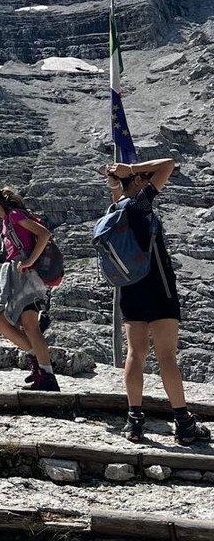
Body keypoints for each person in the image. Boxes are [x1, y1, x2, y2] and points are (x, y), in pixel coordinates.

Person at [103, 159, 210, 445]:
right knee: (166, 356)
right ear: (138, 181)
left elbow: (120, 194)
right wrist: (132, 169)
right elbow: (169, 164)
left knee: (135, 354)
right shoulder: (141, 204)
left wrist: (119, 180)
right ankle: (183, 422)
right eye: (143, 178)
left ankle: (135, 422)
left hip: (129, 290)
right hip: (158, 287)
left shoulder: (115, 210)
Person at [0, 185, 59, 392]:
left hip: (29, 278)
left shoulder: (14, 216)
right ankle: (39, 362)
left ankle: (47, 376)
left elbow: (44, 234)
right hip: (19, 278)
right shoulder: (7, 220)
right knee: (2, 323)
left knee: (29, 326)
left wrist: (30, 261)